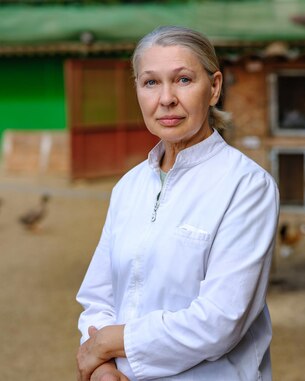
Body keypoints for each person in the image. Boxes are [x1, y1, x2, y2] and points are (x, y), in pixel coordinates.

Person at [76, 25, 279, 381]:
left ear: (214, 87)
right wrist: (104, 368)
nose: (166, 98)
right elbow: (99, 296)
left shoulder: (246, 186)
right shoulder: (129, 187)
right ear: (137, 89)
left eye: (183, 80)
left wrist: (111, 343)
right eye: (150, 82)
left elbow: (220, 321)